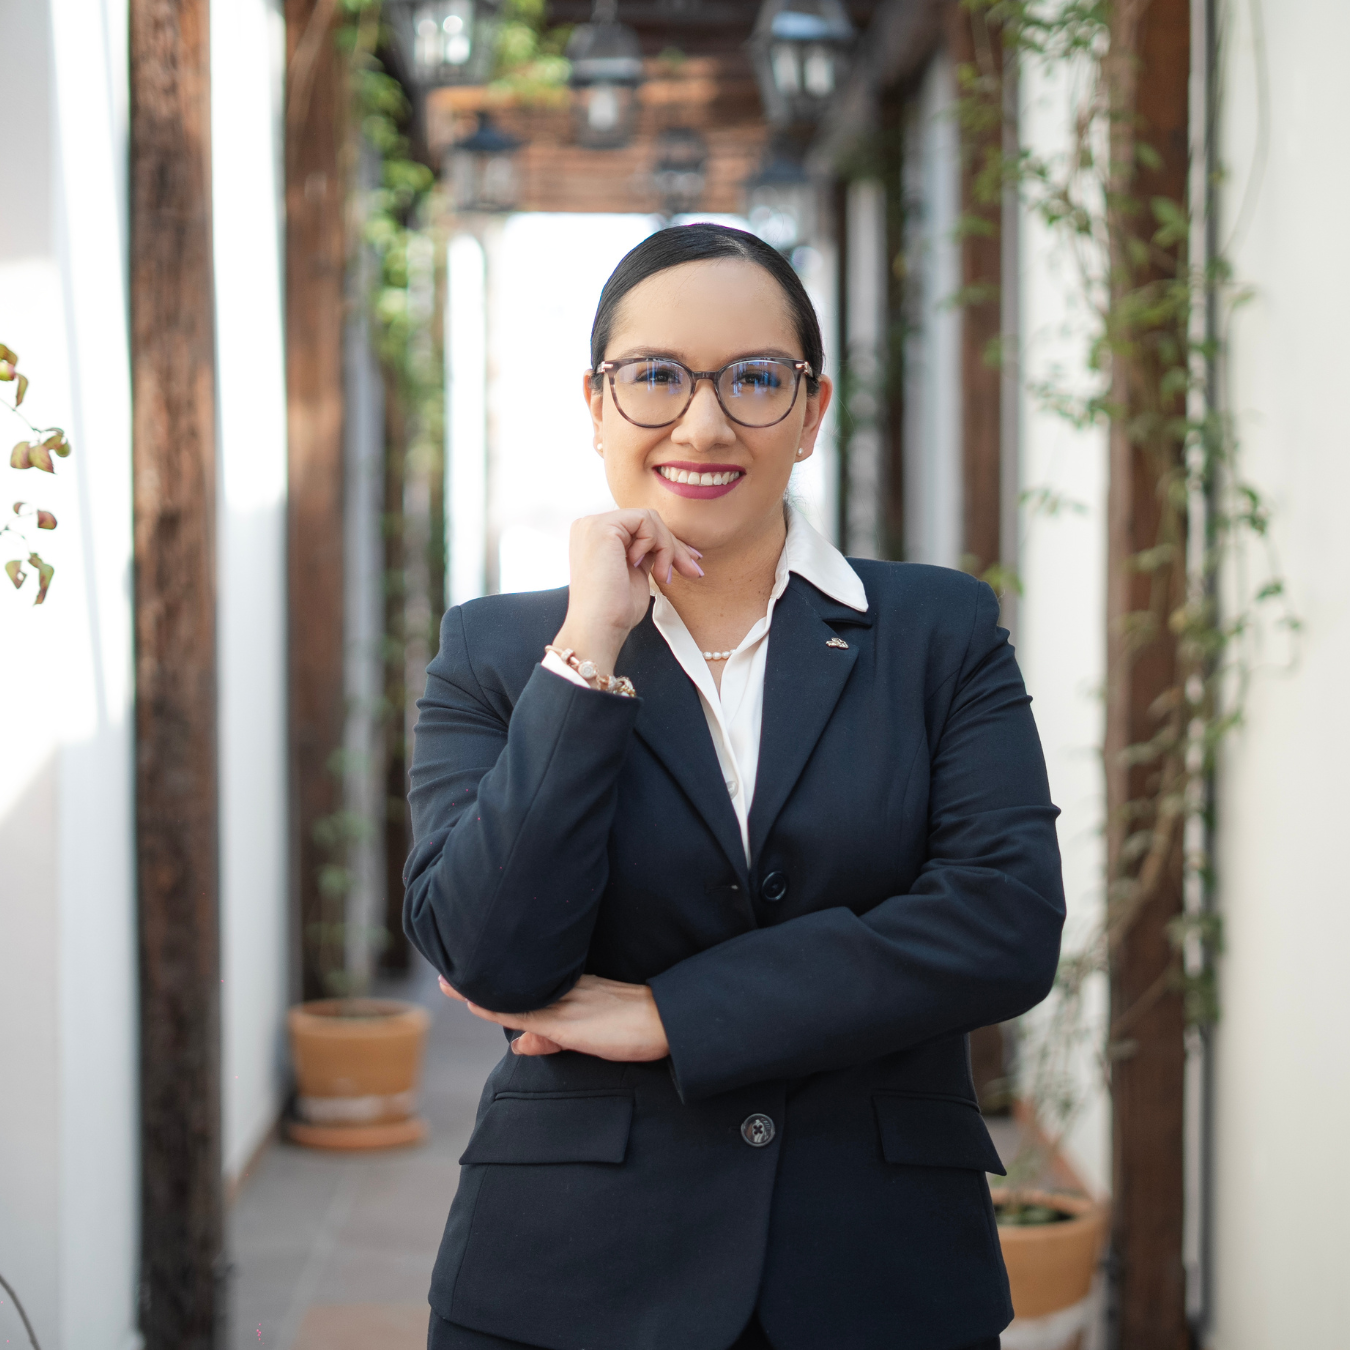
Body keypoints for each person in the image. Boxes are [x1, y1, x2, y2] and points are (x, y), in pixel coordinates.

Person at [405, 223, 1065, 1350]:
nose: (702, 424)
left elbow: (1004, 925)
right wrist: (589, 649)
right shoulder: (499, 652)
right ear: (597, 404)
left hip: (880, 1268)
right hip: (568, 1277)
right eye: (655, 376)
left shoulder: (937, 631)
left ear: (810, 412)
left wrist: (674, 1015)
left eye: (754, 379)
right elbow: (492, 957)